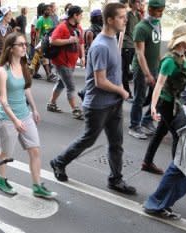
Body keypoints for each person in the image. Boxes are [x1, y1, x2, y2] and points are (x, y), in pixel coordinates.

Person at [50, 2, 137, 195]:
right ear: (110, 20)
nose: (125, 20)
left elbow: (113, 74)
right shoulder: (100, 46)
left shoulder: (113, 39)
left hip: (113, 103)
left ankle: (116, 179)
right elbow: (100, 81)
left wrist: (120, 88)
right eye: (122, 17)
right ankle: (59, 162)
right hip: (98, 106)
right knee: (88, 140)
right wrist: (121, 91)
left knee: (116, 143)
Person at [143, 42, 186, 223]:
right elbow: (162, 85)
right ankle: (155, 199)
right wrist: (153, 106)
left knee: (183, 163)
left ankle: (156, 202)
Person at [0, 32, 56, 198]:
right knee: (5, 153)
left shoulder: (23, 66)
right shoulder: (3, 71)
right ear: (10, 48)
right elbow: (3, 100)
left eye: (25, 44)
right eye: (20, 45)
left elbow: (26, 88)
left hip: (25, 115)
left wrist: (35, 109)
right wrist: (14, 120)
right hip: (8, 119)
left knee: (35, 150)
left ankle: (37, 186)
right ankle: (1, 179)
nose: (24, 47)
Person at [141, 23, 186, 175]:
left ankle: (147, 162)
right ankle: (176, 171)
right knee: (178, 135)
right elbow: (159, 85)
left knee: (160, 133)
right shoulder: (170, 61)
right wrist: (153, 107)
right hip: (167, 103)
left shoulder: (183, 56)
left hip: (175, 101)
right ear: (183, 41)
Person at [128, 0, 166, 139]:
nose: (160, 14)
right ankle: (134, 126)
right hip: (142, 70)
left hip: (155, 68)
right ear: (150, 9)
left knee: (155, 97)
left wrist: (161, 63)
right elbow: (139, 53)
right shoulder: (141, 27)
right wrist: (147, 74)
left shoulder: (157, 24)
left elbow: (156, 47)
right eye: (158, 11)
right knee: (139, 98)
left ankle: (146, 121)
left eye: (162, 11)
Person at [46, 6, 85, 120]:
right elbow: (53, 40)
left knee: (61, 83)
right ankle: (75, 109)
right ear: (75, 15)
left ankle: (51, 104)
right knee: (71, 86)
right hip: (61, 62)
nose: (82, 17)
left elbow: (81, 43)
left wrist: (82, 57)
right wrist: (69, 40)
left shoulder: (79, 28)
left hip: (71, 62)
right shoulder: (62, 27)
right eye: (80, 15)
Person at [121, 0, 142, 100]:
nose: (139, 4)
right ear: (132, 3)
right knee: (125, 70)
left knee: (136, 69)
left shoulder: (138, 15)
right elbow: (122, 31)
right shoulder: (128, 15)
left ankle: (136, 93)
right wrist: (119, 46)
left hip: (134, 46)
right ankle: (126, 91)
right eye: (137, 2)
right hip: (126, 45)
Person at [30, 4, 57, 82]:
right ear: (44, 11)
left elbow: (50, 32)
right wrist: (37, 45)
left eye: (50, 10)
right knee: (44, 58)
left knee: (37, 59)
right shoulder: (40, 20)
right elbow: (37, 34)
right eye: (47, 10)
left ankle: (33, 73)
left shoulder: (50, 20)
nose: (49, 11)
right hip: (41, 42)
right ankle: (49, 74)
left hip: (47, 42)